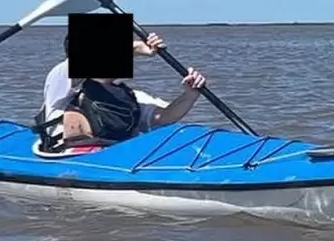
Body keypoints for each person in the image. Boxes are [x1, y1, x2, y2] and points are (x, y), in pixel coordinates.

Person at [36, 32, 206, 153]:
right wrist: (138, 47)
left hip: (117, 162)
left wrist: (191, 94)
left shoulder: (131, 97)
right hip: (68, 162)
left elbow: (164, 117)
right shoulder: (62, 85)